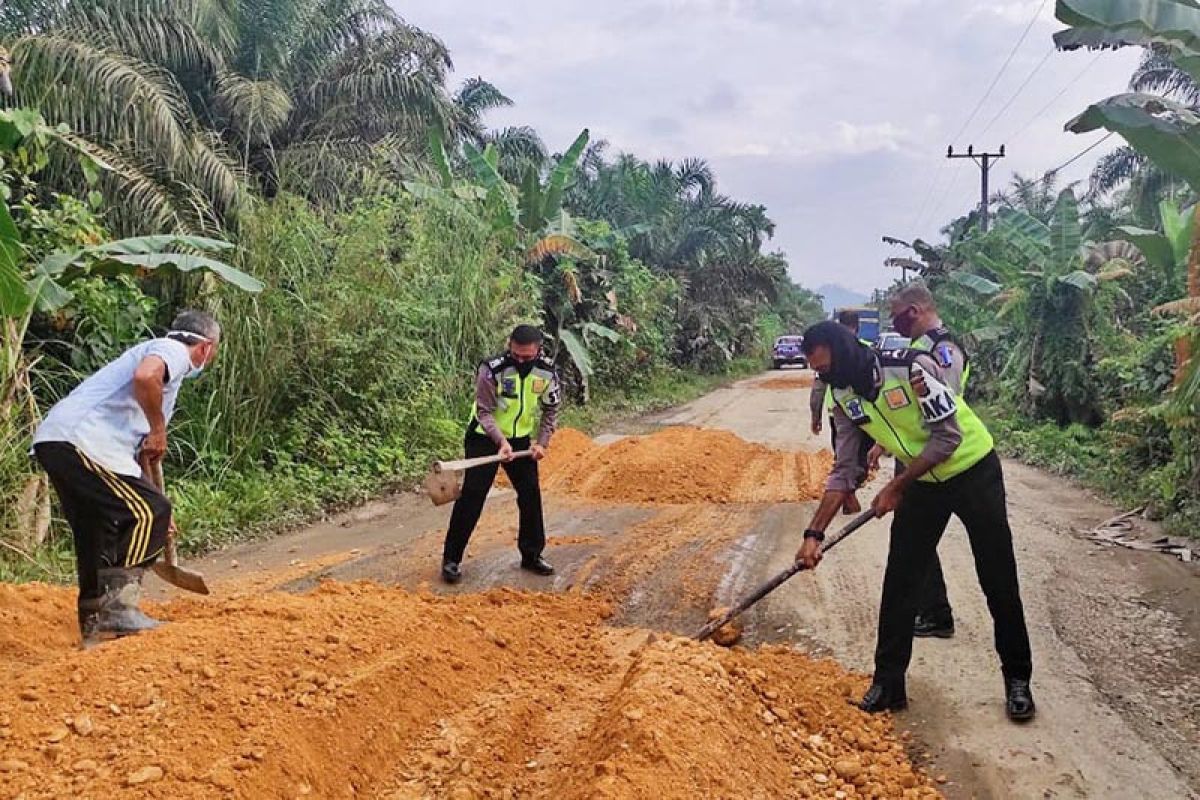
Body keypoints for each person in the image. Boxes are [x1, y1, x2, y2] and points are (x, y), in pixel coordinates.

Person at [795, 320, 1034, 722]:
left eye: (825, 368)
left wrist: (897, 486)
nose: (823, 377)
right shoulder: (843, 396)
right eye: (818, 372)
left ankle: (1017, 680)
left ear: (845, 352)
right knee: (902, 581)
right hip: (922, 483)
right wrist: (813, 534)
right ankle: (888, 684)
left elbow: (948, 438)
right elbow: (845, 469)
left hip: (973, 471)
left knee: (997, 578)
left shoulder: (910, 368)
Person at [32, 310, 220, 646]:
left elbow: (139, 455)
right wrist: (159, 430)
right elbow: (145, 377)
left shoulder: (160, 359)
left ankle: (96, 625)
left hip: (59, 440)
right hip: (83, 441)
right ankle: (118, 609)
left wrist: (153, 503)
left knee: (99, 528)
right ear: (205, 348)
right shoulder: (171, 352)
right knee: (150, 511)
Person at [881, 282, 972, 639]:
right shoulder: (920, 347)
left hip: (938, 456)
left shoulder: (943, 348)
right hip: (918, 452)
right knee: (913, 538)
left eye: (897, 316)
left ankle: (937, 613)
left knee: (915, 538)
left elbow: (942, 407)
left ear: (914, 311)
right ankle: (933, 610)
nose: (896, 323)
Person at [441, 324, 560, 583]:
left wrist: (542, 442)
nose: (520, 361)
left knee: (530, 494)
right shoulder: (492, 369)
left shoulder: (547, 371)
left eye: (526, 357)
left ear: (538, 351)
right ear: (510, 346)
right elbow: (484, 411)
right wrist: (500, 442)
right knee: (473, 496)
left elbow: (551, 410)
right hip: (484, 438)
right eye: (516, 354)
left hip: (519, 440)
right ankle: (451, 559)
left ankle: (531, 555)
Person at [809, 309, 873, 514]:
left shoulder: (829, 352)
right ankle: (848, 492)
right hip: (864, 415)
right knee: (859, 458)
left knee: (844, 457)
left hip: (836, 411)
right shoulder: (869, 349)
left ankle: (847, 491)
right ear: (858, 326)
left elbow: (818, 389)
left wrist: (815, 415)